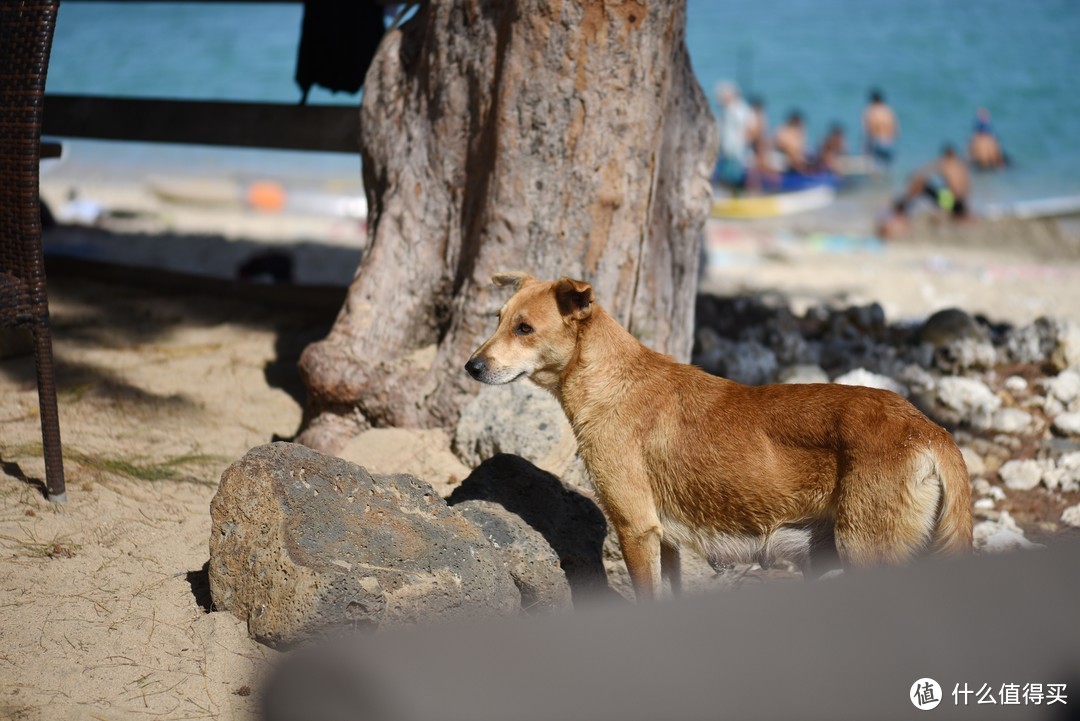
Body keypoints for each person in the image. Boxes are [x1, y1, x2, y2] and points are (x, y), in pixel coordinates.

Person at [881, 144, 970, 238]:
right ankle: (904, 206)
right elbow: (966, 189)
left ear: (945, 155)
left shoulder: (945, 163)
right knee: (940, 189)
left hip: (950, 203)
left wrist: (913, 177)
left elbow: (923, 172)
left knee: (922, 184)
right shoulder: (961, 166)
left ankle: (903, 208)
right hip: (962, 205)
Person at [713, 82, 754, 187]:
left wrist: (742, 144)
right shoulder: (724, 110)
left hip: (737, 151)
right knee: (726, 176)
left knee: (734, 177)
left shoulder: (740, 109)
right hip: (726, 151)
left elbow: (749, 129)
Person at [863, 88, 898, 167]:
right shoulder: (889, 111)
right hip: (890, 144)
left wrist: (866, 150)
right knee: (887, 169)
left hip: (877, 143)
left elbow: (867, 131)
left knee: (874, 169)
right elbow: (897, 130)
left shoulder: (871, 110)